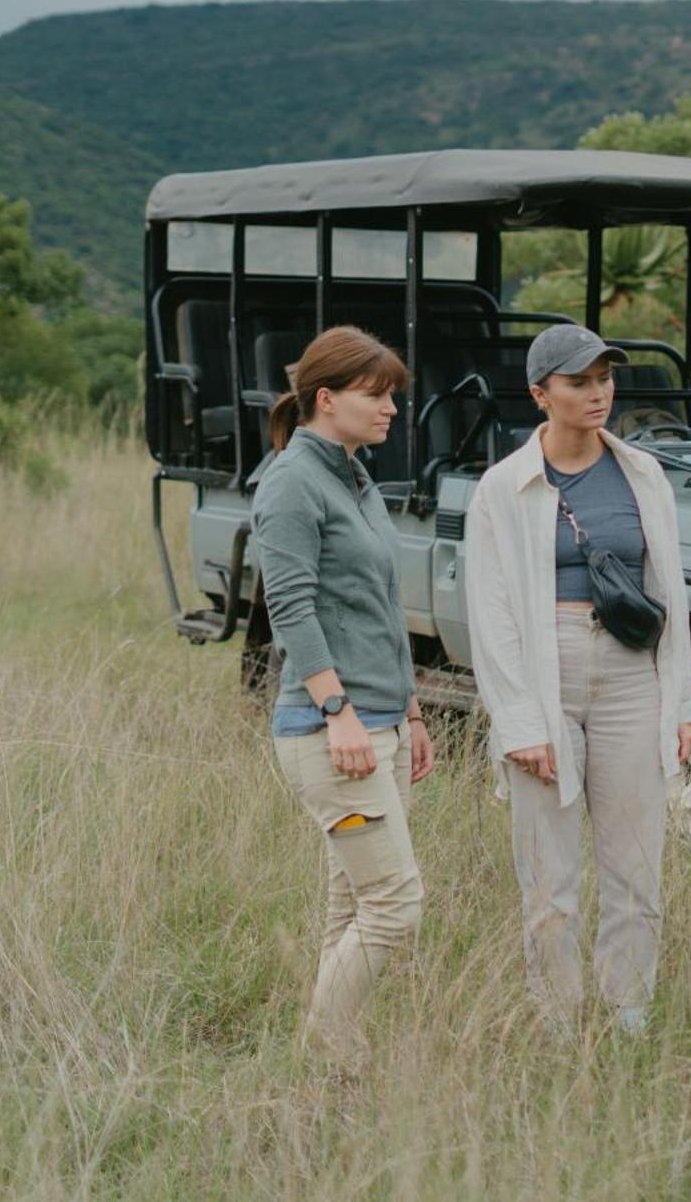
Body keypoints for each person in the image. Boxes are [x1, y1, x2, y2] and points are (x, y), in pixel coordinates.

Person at [465, 323, 691, 1035]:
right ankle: (558, 1018)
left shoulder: (642, 472)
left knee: (635, 863)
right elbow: (493, 611)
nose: (598, 392)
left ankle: (629, 1012)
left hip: (631, 666)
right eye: (578, 381)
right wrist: (519, 720)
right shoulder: (505, 486)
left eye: (604, 377)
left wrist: (681, 701)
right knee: (549, 871)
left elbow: (671, 591)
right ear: (541, 394)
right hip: (548, 663)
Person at [251, 325, 435, 1069]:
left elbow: (380, 606)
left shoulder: (354, 476)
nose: (391, 407)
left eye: (392, 393)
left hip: (383, 723)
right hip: (333, 733)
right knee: (396, 906)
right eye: (376, 393)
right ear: (325, 399)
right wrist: (340, 713)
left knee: (353, 904)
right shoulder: (293, 481)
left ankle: (332, 1076)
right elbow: (291, 608)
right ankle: (319, 1051)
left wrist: (413, 710)